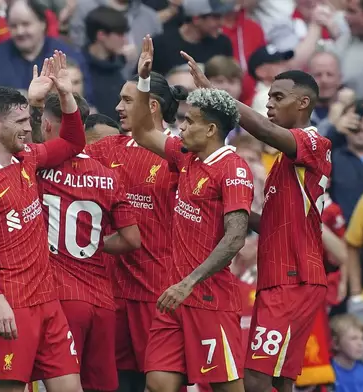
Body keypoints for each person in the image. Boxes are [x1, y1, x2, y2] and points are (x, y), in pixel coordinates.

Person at [182, 41, 332, 392]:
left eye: (279, 97)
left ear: (304, 102)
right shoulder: (285, 163)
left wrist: (217, 95)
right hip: (281, 275)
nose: (270, 103)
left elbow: (263, 131)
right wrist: (233, 209)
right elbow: (273, 225)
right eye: (269, 97)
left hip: (293, 278)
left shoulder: (313, 143)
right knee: (279, 380)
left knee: (256, 379)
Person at [0, 51, 85, 392]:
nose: (31, 128)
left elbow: (73, 142)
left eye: (30, 119)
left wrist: (66, 96)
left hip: (48, 300)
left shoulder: (27, 158)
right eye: (22, 122)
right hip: (12, 303)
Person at [129, 36, 253, 392]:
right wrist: (143, 81)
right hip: (174, 294)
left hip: (208, 298)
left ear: (211, 130)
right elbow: (140, 131)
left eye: (190, 121)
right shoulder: (186, 156)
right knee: (159, 383)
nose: (181, 127)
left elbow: (234, 238)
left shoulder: (233, 168)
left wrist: (189, 282)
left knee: (226, 388)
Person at [84, 63, 184, 392]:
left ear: (151, 105)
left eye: (127, 101)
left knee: (160, 382)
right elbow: (55, 151)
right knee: (114, 381)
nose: (117, 108)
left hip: (158, 291)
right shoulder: (107, 148)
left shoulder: (181, 153)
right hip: (111, 291)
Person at [37, 92, 142, 392]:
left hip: (61, 294)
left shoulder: (37, 167)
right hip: (102, 299)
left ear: (46, 125)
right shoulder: (108, 175)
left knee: (58, 384)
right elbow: (132, 239)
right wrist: (93, 241)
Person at [330, 314, 363, 392]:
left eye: (362, 338)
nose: (361, 344)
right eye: (354, 338)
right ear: (336, 344)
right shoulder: (326, 373)